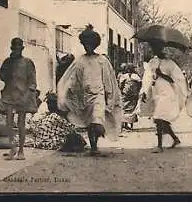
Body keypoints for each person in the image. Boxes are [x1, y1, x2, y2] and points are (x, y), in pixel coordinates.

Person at [57, 24, 122, 156]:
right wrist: (70, 91)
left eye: (90, 44)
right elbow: (74, 78)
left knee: (96, 119)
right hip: (85, 96)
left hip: (99, 95)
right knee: (89, 121)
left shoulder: (102, 60)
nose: (88, 47)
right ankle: (93, 146)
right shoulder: (80, 61)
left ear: (95, 45)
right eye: (86, 44)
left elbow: (108, 79)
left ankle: (95, 143)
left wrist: (109, 96)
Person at [139, 40, 187, 153]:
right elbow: (147, 78)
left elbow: (176, 79)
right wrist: (144, 91)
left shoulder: (170, 63)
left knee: (159, 117)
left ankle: (159, 145)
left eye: (157, 47)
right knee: (162, 119)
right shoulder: (152, 62)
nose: (155, 50)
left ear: (162, 48)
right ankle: (175, 139)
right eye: (153, 48)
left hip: (167, 92)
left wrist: (162, 75)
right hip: (156, 92)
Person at [0, 37, 38, 160]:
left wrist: (28, 95)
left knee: (21, 123)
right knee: (9, 123)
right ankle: (12, 149)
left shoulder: (27, 62)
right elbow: (2, 77)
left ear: (22, 48)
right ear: (11, 49)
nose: (16, 50)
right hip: (9, 95)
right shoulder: (7, 62)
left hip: (22, 95)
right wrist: (9, 67)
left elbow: (32, 82)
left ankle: (21, 151)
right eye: (14, 48)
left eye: (19, 48)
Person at [119, 63, 142, 131]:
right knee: (132, 109)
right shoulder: (136, 76)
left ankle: (125, 124)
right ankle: (130, 124)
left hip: (125, 94)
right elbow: (140, 84)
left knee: (124, 108)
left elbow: (121, 85)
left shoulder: (124, 76)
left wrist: (122, 91)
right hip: (133, 95)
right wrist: (137, 91)